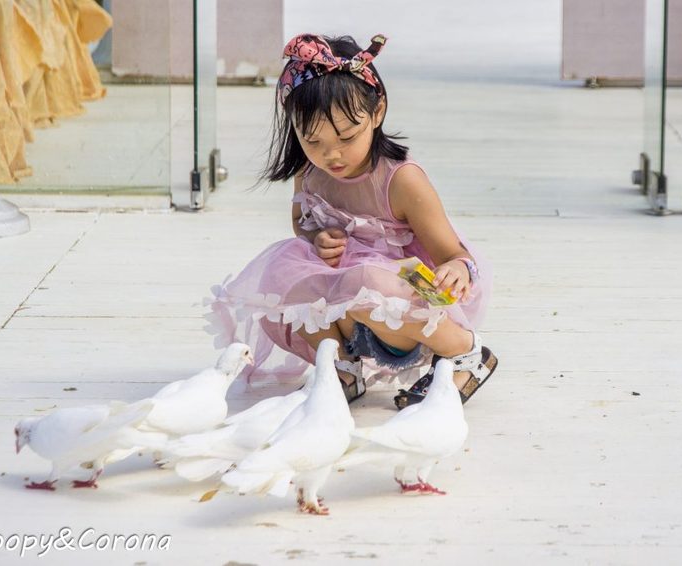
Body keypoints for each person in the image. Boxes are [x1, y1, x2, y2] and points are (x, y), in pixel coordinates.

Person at [206, 33, 497, 409]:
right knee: (284, 273)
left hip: (407, 310)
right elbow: (301, 223)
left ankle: (465, 353)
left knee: (366, 279)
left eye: (346, 136)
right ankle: (342, 366)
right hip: (348, 312)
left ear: (377, 112)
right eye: (313, 141)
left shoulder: (402, 181)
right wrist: (316, 238)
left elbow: (454, 255)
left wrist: (456, 269)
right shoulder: (309, 171)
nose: (332, 154)